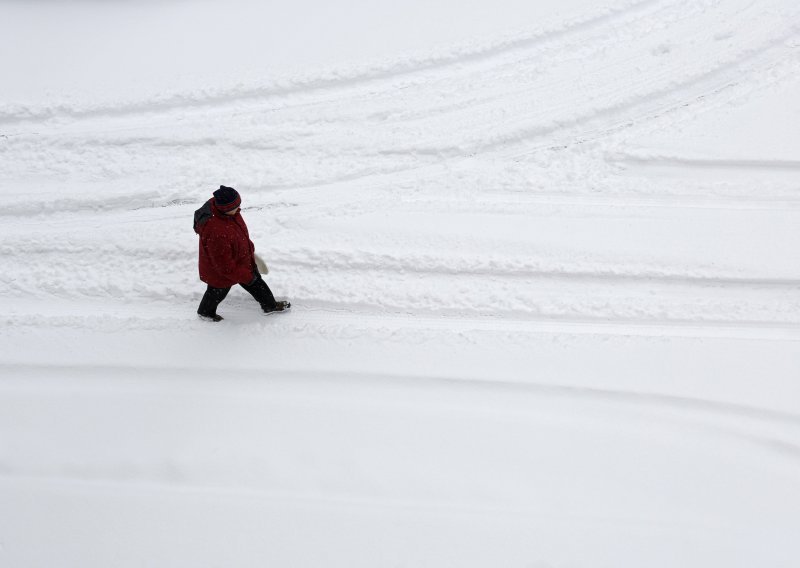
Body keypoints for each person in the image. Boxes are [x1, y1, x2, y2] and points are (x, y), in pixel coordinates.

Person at [194, 185, 290, 322]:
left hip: (239, 259)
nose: (239, 208)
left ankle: (270, 306)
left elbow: (235, 234)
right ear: (225, 209)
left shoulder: (224, 209)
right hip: (221, 270)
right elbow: (224, 266)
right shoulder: (216, 231)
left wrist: (248, 248)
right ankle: (205, 313)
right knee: (219, 290)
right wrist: (246, 275)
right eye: (235, 207)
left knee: (255, 283)